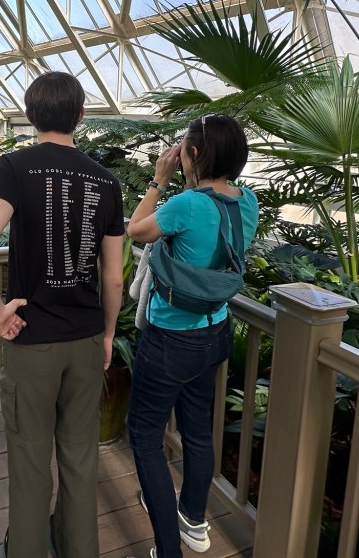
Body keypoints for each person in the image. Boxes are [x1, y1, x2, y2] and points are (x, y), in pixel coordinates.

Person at [0, 71, 125, 558]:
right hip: (85, 340)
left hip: (32, 340)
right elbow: (113, 278)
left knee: (30, 458)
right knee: (80, 457)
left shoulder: (14, 167)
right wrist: (106, 335)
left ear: (30, 115)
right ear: (80, 115)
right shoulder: (107, 181)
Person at [125, 114, 258, 557]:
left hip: (171, 339)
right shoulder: (247, 201)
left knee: (145, 437)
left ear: (193, 153)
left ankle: (168, 549)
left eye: (183, 148)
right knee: (198, 430)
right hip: (215, 331)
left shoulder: (185, 205)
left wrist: (159, 180)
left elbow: (135, 229)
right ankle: (194, 520)